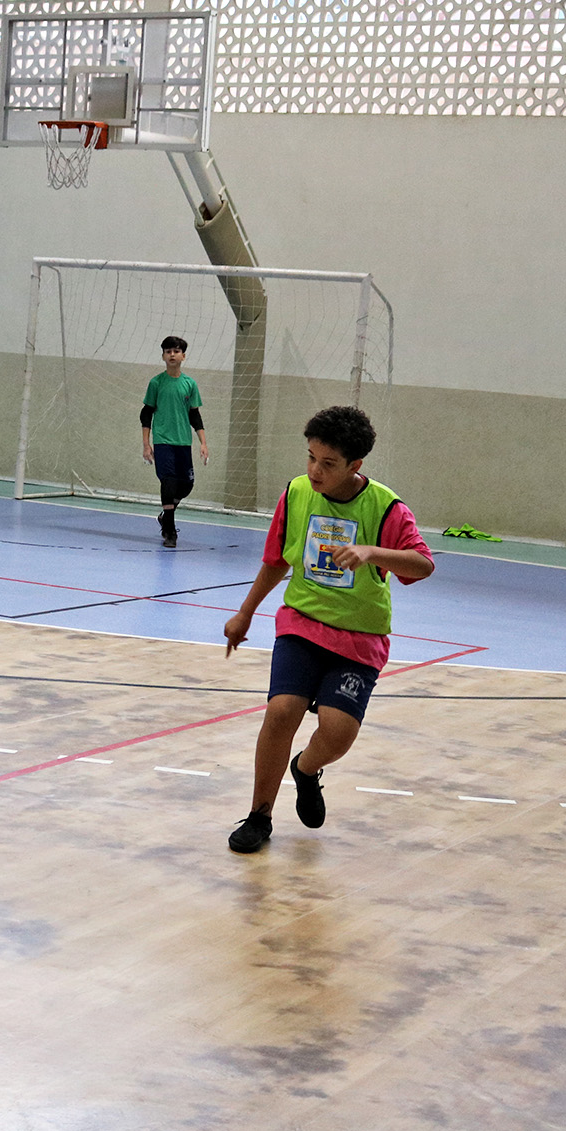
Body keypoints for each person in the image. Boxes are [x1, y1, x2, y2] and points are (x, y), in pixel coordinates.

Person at [222, 405, 434, 853]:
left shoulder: (387, 507)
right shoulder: (296, 493)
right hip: (301, 623)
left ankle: (305, 769)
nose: (315, 471)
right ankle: (259, 815)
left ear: (355, 465)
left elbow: (422, 564)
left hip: (359, 637)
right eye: (311, 457)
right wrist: (245, 613)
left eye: (328, 463)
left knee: (338, 732)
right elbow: (275, 561)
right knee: (282, 711)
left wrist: (372, 552)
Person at [140, 335, 209, 548]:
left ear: (183, 356)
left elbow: (194, 415)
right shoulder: (156, 383)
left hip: (183, 442)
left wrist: (203, 443)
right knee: (168, 482)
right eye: (168, 351)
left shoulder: (189, 384)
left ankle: (165, 515)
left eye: (176, 351)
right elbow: (146, 413)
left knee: (186, 485)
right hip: (163, 441)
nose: (172, 355)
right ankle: (169, 530)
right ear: (163, 356)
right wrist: (146, 444)